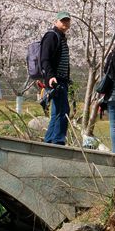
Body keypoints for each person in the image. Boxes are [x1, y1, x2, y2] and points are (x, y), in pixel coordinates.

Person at [39, 12, 72, 145]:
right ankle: (58, 141)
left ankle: (49, 140)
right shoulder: (51, 36)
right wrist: (51, 76)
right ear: (56, 21)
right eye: (62, 20)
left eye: (67, 21)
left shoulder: (61, 37)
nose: (65, 23)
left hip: (62, 79)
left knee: (58, 111)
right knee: (63, 110)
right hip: (55, 80)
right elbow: (45, 59)